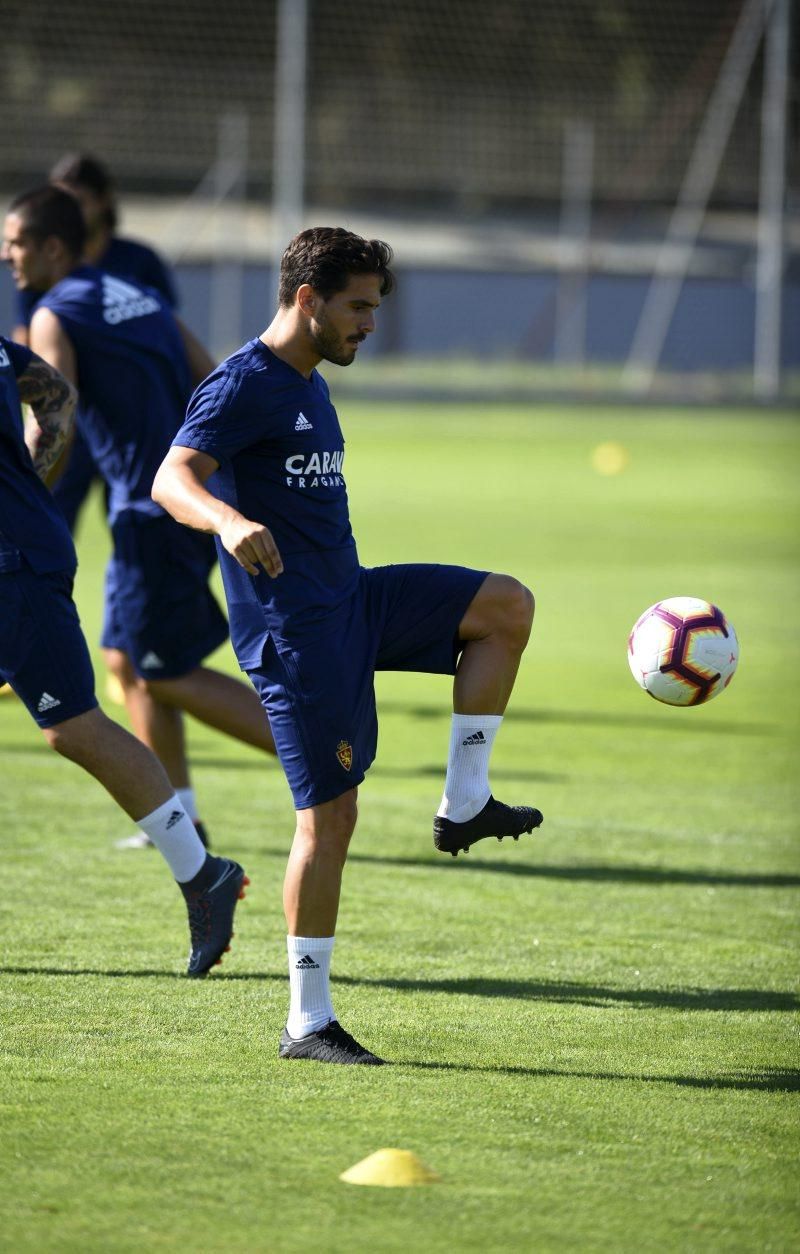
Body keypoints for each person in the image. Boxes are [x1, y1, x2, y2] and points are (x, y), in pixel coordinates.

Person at [151, 226, 544, 1066]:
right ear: (307, 300)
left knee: (504, 607)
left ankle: (464, 802)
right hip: (297, 633)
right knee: (329, 819)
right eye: (359, 307)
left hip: (354, 599)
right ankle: (307, 1022)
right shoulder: (245, 383)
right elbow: (171, 477)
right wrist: (228, 520)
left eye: (374, 307)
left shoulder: (309, 382)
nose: (370, 323)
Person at [2, 185, 277, 852]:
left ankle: (323, 748)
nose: (8, 257)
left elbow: (52, 415)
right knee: (128, 657)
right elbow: (208, 374)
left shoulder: (52, 314)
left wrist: (27, 499)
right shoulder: (139, 293)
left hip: (147, 507)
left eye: (16, 244)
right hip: (185, 492)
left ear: (53, 248)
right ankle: (179, 813)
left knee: (161, 670)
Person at [0, 332, 247, 976]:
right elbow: (53, 394)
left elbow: (56, 393)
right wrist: (32, 478)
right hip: (24, 545)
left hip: (13, 566)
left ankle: (202, 875)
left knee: (73, 726)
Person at [10, 153, 179, 536]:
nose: (7, 255)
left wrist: (16, 493)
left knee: (126, 529)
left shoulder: (135, 266)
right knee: (58, 518)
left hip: (131, 441)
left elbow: (54, 404)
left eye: (16, 244)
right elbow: (30, 355)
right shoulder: (46, 284)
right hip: (98, 430)